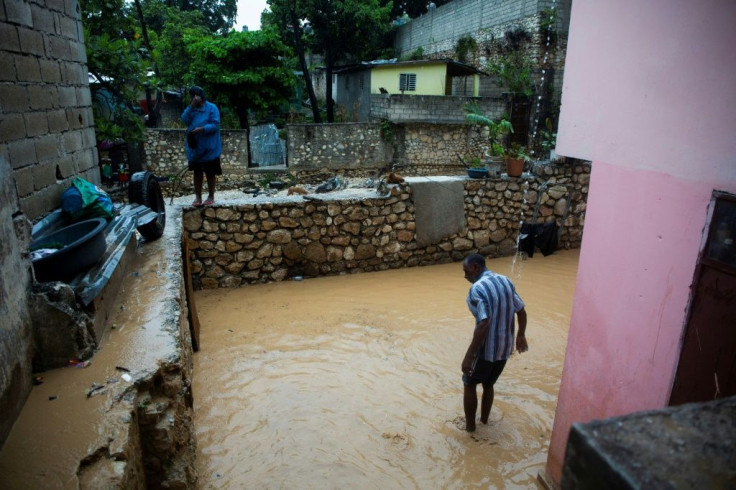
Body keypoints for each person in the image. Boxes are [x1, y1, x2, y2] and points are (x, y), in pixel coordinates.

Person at [461, 253, 528, 432]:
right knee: (489, 384)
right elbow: (521, 310)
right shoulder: (505, 280)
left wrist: (469, 356)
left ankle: (470, 430)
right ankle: (484, 421)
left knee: (469, 383)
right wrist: (521, 335)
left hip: (486, 351)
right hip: (504, 349)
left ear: (476, 268)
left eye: (466, 271)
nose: (465, 276)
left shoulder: (477, 288)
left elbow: (484, 323)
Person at [181, 86, 222, 206]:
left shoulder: (211, 108)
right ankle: (198, 197)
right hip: (196, 148)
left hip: (209, 147)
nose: (192, 99)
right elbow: (184, 120)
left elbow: (215, 125)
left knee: (210, 172)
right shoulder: (192, 109)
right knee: (197, 172)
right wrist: (191, 106)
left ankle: (211, 196)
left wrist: (203, 129)